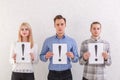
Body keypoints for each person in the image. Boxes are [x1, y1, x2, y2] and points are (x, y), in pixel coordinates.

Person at [40, 15, 79, 80]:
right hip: (52, 74)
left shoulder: (72, 41)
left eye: (62, 24)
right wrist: (46, 56)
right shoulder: (48, 41)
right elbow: (41, 57)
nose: (60, 26)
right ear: (54, 26)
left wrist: (72, 56)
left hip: (67, 73)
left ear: (65, 25)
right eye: (57, 24)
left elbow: (77, 59)